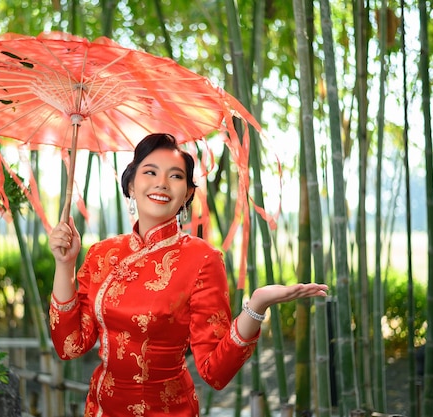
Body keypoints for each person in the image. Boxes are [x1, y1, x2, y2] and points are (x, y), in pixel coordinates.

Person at [49, 133, 327, 417]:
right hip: (101, 409)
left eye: (176, 176)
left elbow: (214, 372)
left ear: (188, 194)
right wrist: (65, 264)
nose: (161, 183)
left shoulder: (203, 260)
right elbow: (69, 345)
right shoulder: (101, 254)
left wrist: (256, 306)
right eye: (150, 172)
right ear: (131, 184)